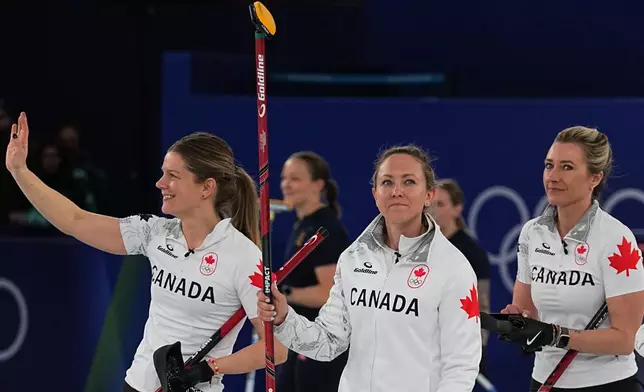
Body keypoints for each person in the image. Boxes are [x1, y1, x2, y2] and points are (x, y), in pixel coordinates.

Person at [5, 112, 288, 392]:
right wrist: (20, 171)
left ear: (206, 188)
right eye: (163, 173)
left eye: (173, 176)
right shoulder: (155, 232)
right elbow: (75, 220)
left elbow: (276, 348)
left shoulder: (243, 255)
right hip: (139, 385)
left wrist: (208, 368)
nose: (160, 183)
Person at [257, 144, 482, 392]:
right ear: (375, 194)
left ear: (429, 194)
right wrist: (284, 318)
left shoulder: (453, 267)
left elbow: (461, 365)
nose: (397, 191)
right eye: (387, 182)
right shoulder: (353, 258)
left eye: (409, 182)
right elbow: (328, 341)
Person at [495, 126, 644, 391]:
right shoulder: (532, 232)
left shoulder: (616, 239)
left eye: (567, 167)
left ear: (594, 178)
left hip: (607, 384)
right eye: (548, 165)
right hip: (544, 380)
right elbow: (528, 310)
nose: (552, 176)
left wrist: (555, 335)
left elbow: (623, 339)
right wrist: (518, 322)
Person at [277, 151, 350, 392]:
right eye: (284, 177)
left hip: (319, 342)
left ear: (318, 184)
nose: (286, 184)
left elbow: (328, 294)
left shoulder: (325, 229)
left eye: (296, 178)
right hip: (298, 336)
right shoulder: (304, 223)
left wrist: (282, 294)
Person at [429, 178, 491, 375]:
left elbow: (481, 306)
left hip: (459, 352)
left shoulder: (471, 252)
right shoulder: (420, 247)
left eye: (440, 204)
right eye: (429, 204)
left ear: (457, 209)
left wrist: (476, 348)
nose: (432, 210)